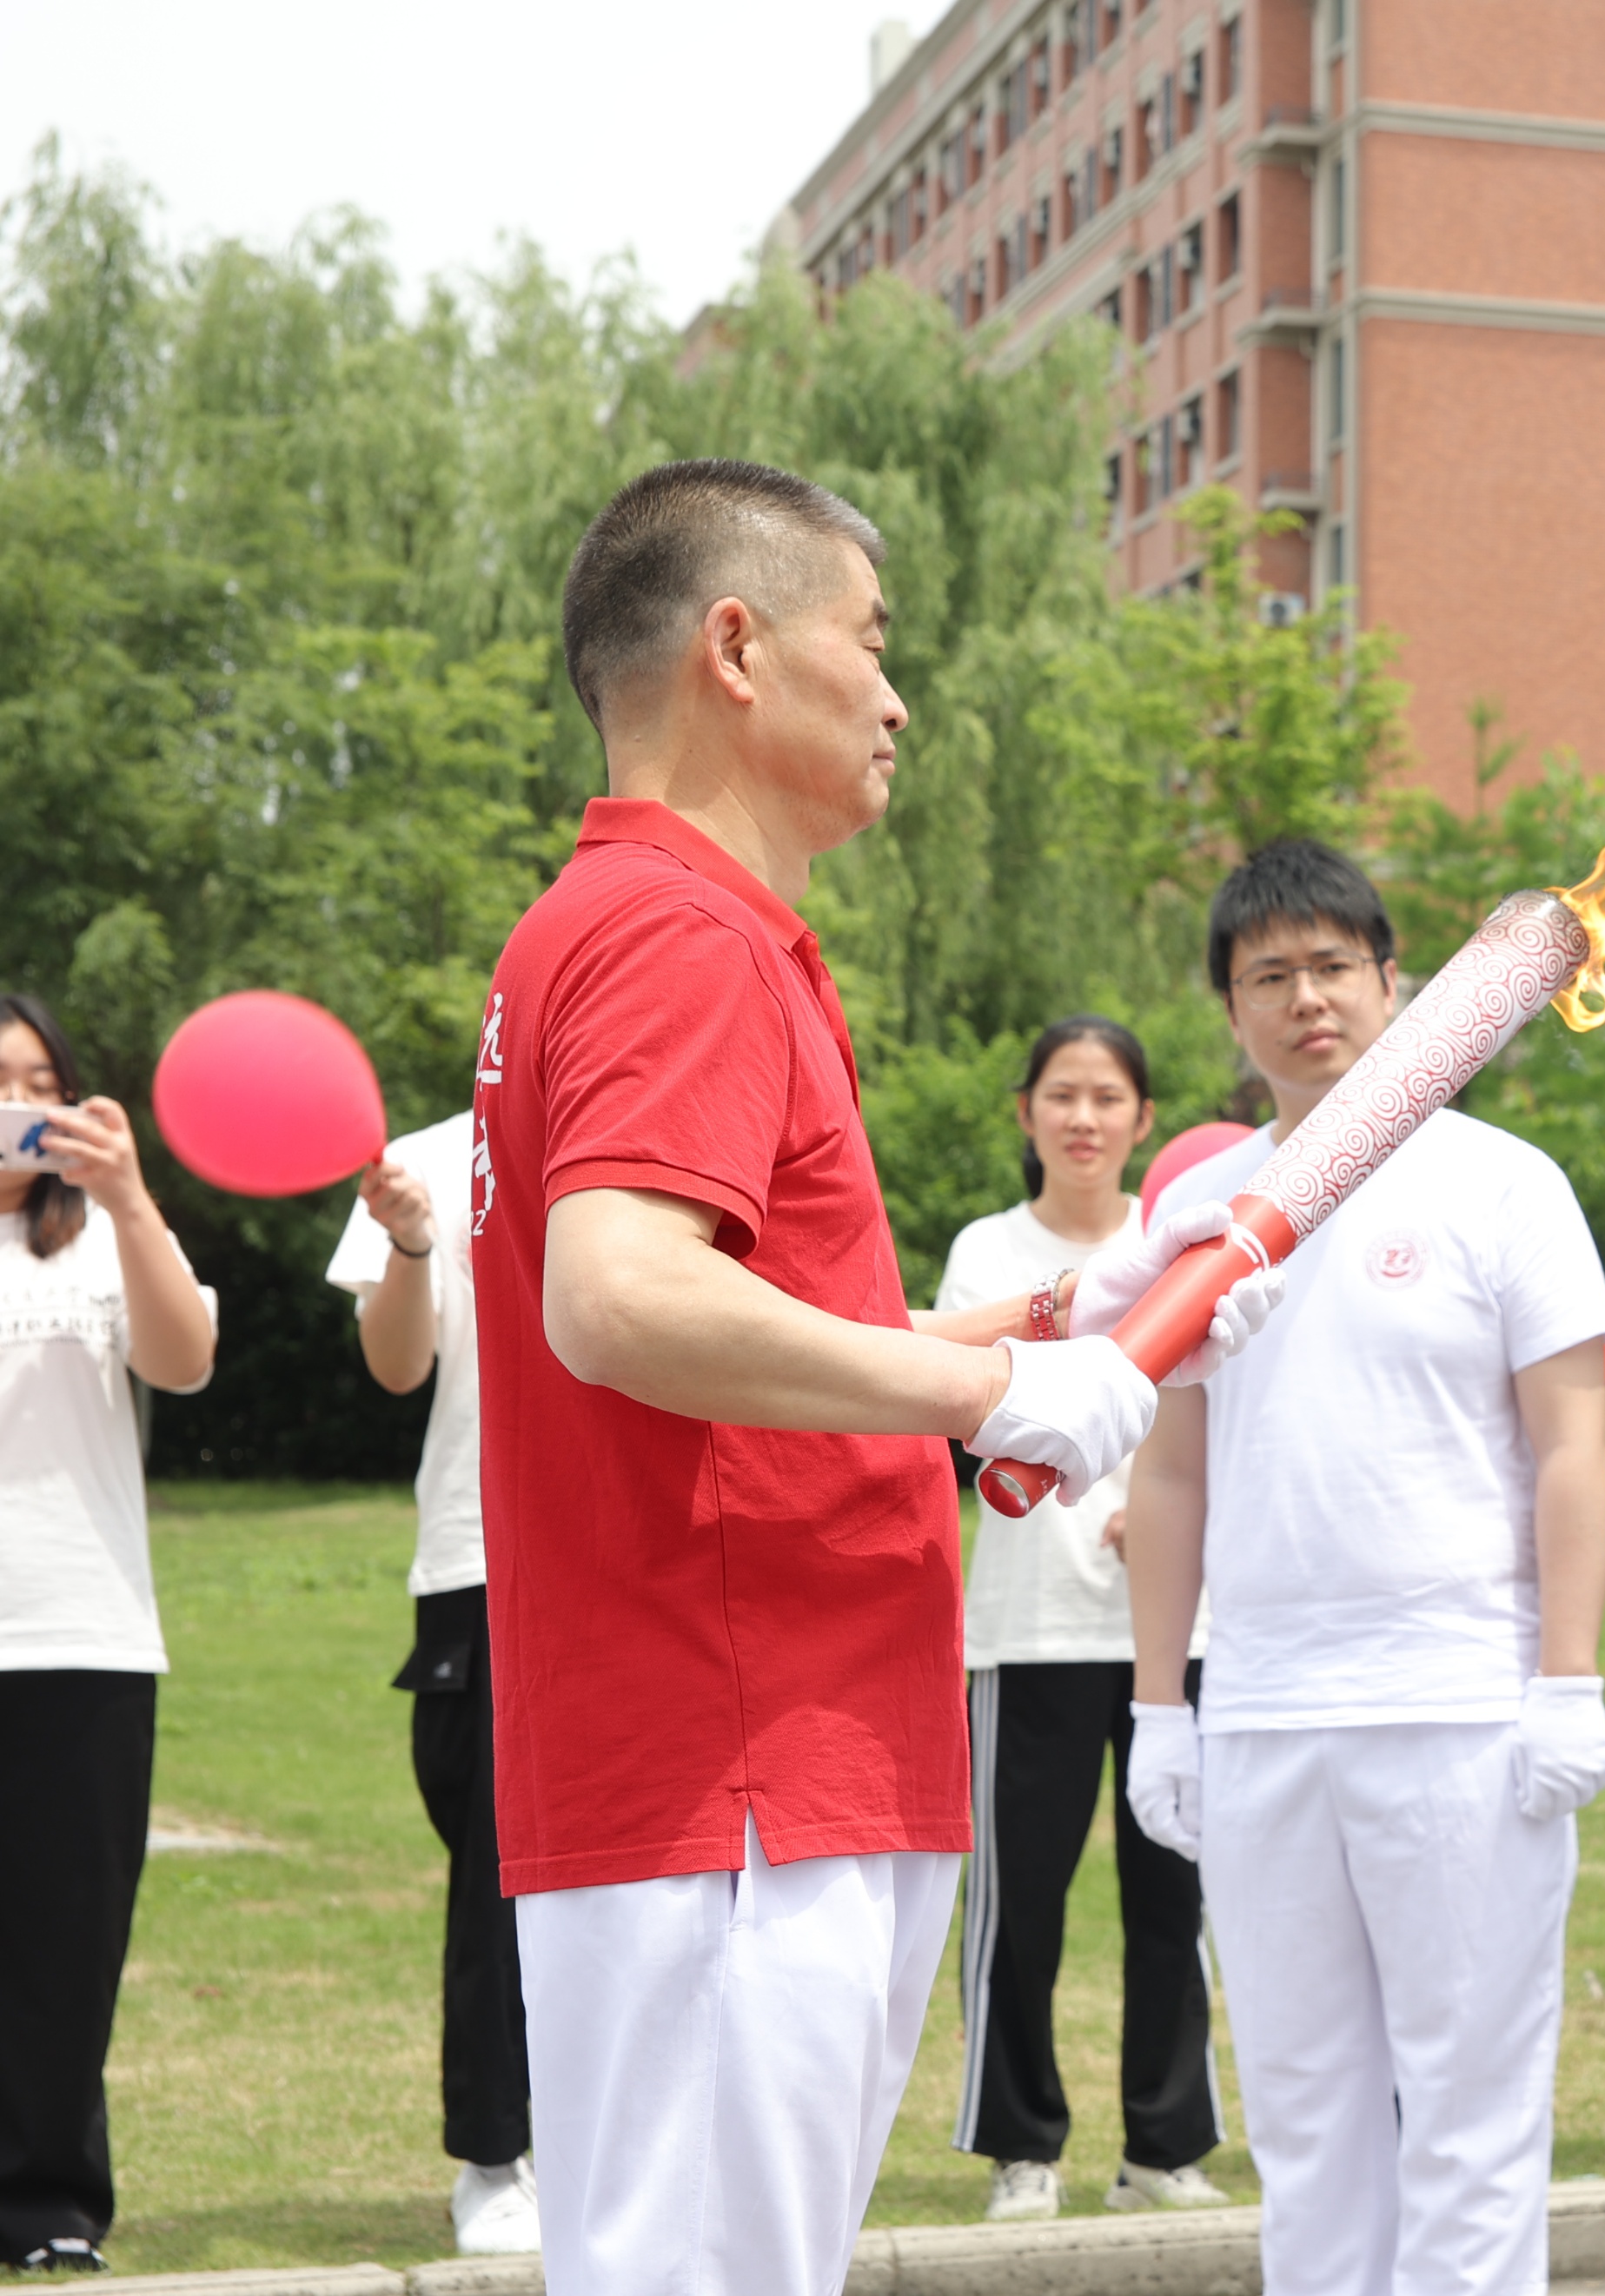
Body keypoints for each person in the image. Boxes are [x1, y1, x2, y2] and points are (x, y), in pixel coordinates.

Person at [475, 460, 1270, 2296]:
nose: (901, 694)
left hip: (750, 1752)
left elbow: (686, 1315)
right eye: (874, 638)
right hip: (739, 1762)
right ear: (737, 649)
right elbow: (614, 1298)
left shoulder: (649, 926)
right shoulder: (679, 933)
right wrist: (974, 1404)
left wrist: (953, 1345)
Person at [1120, 838, 1605, 2296]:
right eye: (1268, 974)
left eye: (1334, 964)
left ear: (1396, 980)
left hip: (1463, 1708)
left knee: (1469, 2116)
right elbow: (1171, 1465)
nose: (1307, 998)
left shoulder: (1506, 1186)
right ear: (1230, 1011)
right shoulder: (1199, 1214)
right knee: (1306, 2115)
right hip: (1270, 1712)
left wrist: (1567, 1676)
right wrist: (1164, 1703)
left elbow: (1570, 1452)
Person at [935, 1017, 1229, 2218]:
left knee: (1177, 1894)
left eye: (1108, 1096)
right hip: (1030, 1626)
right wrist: (1101, 1503)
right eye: (1062, 1094)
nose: (1084, 1117)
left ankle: (1166, 2145)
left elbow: (1213, 1414)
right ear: (1027, 1113)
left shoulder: (1182, 1248)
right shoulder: (984, 1254)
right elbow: (967, 1409)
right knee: (1022, 1897)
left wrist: (1150, 1522)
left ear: (1142, 1117)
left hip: (1172, 1632)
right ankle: (1022, 2143)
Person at [0, 991, 219, 2277]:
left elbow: (185, 1360)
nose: (19, 1104)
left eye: (40, 1081)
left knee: (65, 1943)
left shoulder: (98, 1239)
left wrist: (133, 1197)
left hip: (83, 1635)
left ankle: (50, 2205)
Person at [328, 1105, 540, 2254]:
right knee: (498, 1870)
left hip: (646, 1556)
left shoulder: (679, 1125)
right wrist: (412, 1244)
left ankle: (606, 2134)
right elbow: (396, 1364)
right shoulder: (428, 1156)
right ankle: (495, 2155)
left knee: (654, 1868)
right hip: (487, 1555)